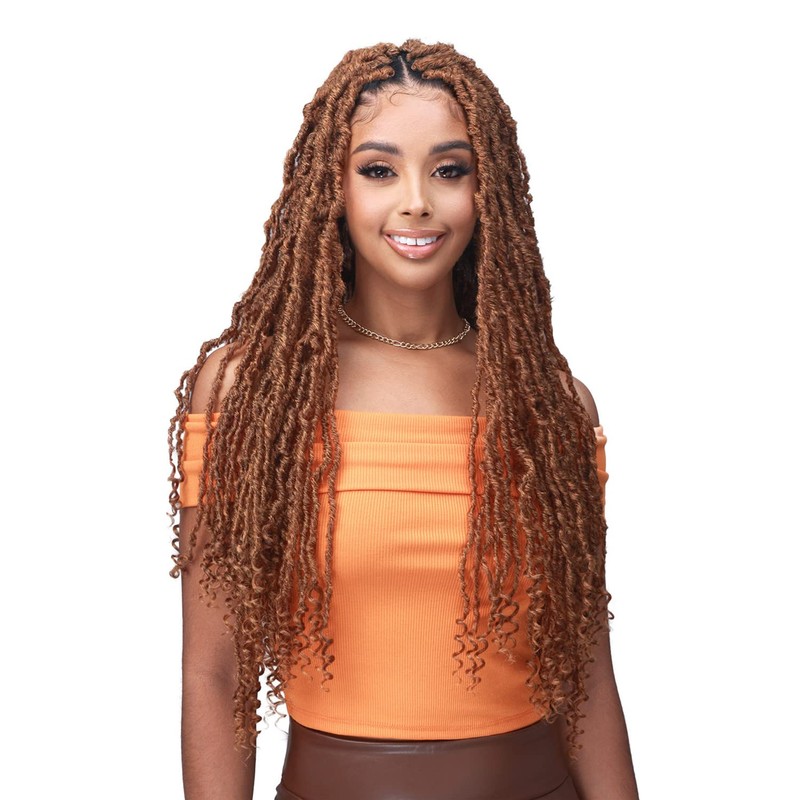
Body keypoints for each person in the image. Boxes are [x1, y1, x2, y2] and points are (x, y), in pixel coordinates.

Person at [167, 40, 639, 800]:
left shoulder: (551, 404)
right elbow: (215, 671)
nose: (417, 200)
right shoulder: (254, 393)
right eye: (379, 170)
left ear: (489, 191)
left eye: (449, 170)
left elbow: (586, 675)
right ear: (332, 187)